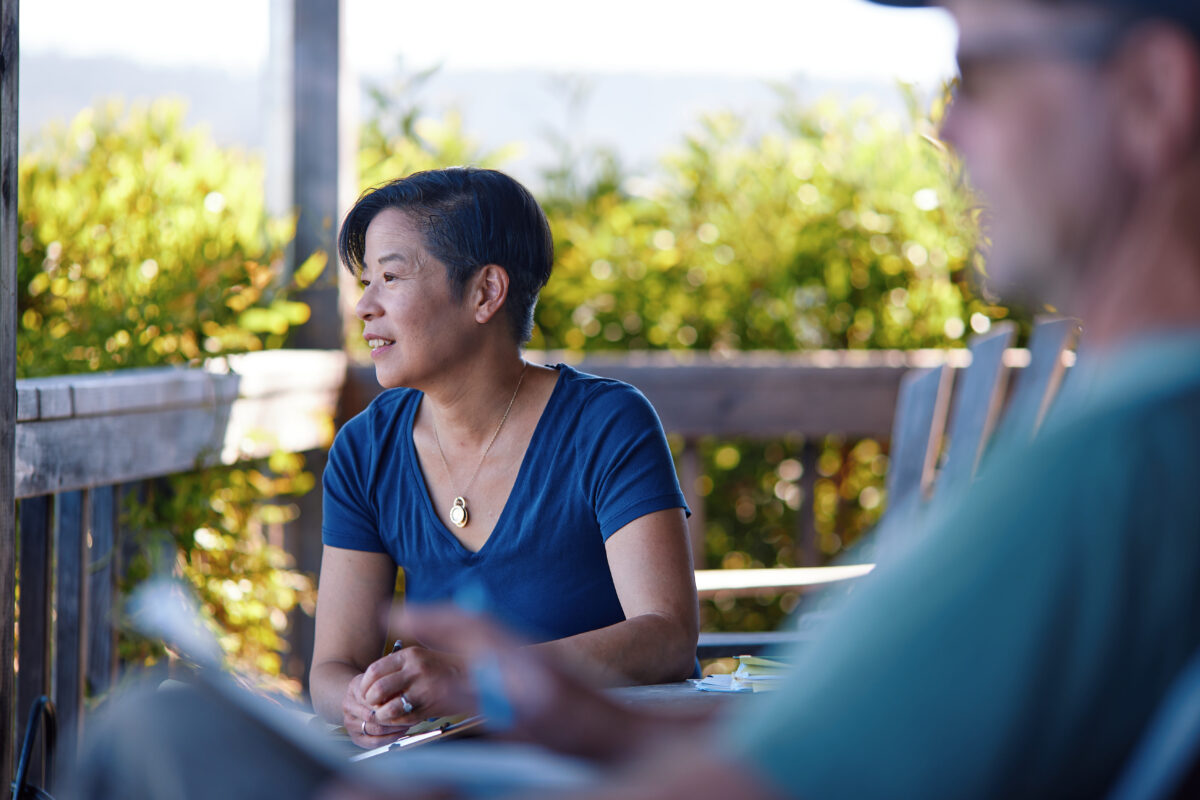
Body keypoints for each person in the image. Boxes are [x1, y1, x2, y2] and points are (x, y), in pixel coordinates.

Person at [61, 0, 1200, 797]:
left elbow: (757, 748)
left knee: (159, 729)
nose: (945, 126)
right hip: (539, 744)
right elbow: (863, 727)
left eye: (983, 73)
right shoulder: (1122, 460)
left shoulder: (1119, 473)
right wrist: (579, 715)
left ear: (1152, 93)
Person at [309, 167, 699, 747]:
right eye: (366, 281)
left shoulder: (607, 424)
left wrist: (472, 675)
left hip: (600, 767)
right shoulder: (365, 450)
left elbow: (667, 637)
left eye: (390, 277)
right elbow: (331, 669)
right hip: (448, 771)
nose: (364, 305)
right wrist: (365, 705)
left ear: (486, 292)